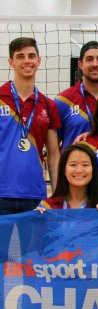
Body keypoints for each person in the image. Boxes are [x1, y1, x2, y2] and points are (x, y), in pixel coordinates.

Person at [0, 37, 60, 215]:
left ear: (38, 61)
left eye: (31, 56)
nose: (27, 61)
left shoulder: (48, 105)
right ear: (11, 62)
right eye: (20, 56)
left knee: (33, 244)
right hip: (1, 193)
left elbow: (54, 155)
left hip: (34, 195)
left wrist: (56, 195)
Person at [36, 144, 98, 211]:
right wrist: (35, 219)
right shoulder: (48, 206)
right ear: (63, 170)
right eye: (73, 165)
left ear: (94, 170)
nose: (79, 170)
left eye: (85, 165)